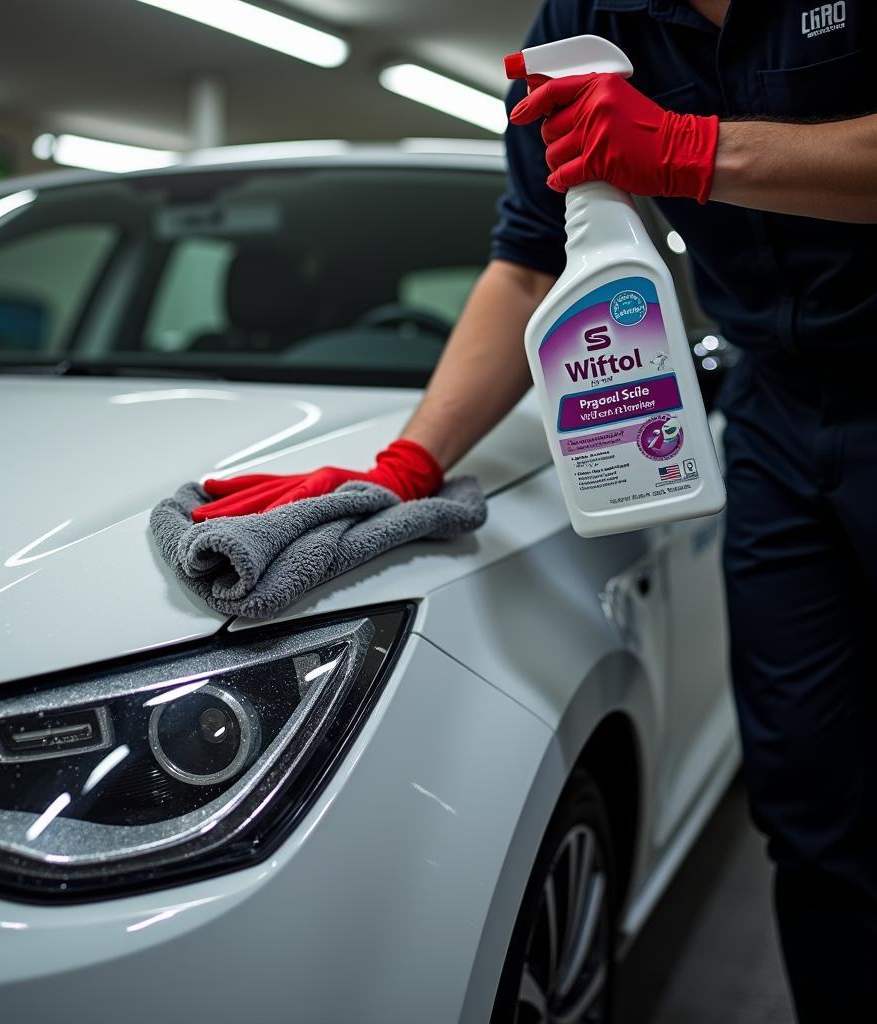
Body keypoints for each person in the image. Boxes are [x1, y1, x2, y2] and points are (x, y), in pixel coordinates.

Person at [193, 2, 876, 1018]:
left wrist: (689, 149)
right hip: (774, 415)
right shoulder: (583, 20)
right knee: (811, 809)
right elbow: (529, 264)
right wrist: (408, 461)